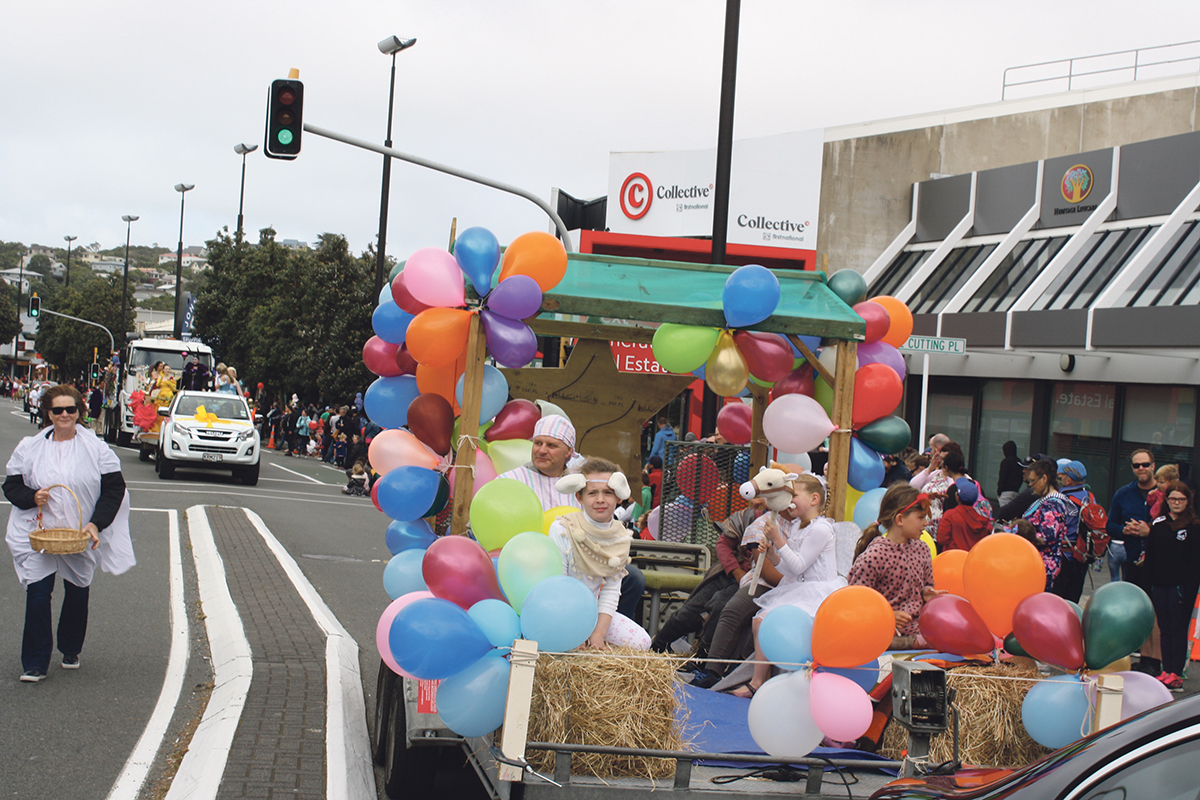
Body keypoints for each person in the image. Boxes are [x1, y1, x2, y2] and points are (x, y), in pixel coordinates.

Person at [4, 386, 135, 682]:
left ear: (79, 412)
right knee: (38, 593)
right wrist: (31, 497)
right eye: (58, 410)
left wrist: (95, 524)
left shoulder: (97, 449)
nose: (65, 415)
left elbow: (114, 489)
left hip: (79, 532)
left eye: (71, 410)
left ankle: (70, 647)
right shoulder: (29, 447)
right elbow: (11, 486)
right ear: (48, 414)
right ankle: (35, 663)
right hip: (40, 533)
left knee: (77, 591)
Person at [499, 414, 646, 621]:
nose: (542, 450)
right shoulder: (509, 481)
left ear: (569, 451)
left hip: (581, 563)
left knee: (633, 578)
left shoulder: (585, 484)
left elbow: (602, 528)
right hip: (526, 563)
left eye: (551, 445)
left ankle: (606, 635)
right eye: (538, 443)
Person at [731, 474, 845, 697]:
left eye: (793, 495)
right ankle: (757, 681)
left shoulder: (820, 529)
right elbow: (788, 568)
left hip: (818, 593)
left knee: (768, 621)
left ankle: (786, 683)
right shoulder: (797, 527)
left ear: (813, 499)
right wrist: (773, 555)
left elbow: (799, 565)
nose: (789, 501)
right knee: (759, 621)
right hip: (799, 588)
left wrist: (779, 541)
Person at [547, 458, 650, 649]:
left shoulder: (621, 537)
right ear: (580, 497)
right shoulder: (562, 529)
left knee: (642, 643)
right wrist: (573, 634)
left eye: (608, 493)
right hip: (559, 614)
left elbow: (611, 590)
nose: (600, 499)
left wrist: (597, 635)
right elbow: (558, 586)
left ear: (619, 497)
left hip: (593, 613)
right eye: (592, 493)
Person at [649, 498, 765, 655]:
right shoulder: (748, 517)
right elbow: (723, 544)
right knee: (689, 612)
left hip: (754, 584)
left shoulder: (785, 526)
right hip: (729, 574)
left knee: (720, 607)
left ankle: (703, 657)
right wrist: (736, 571)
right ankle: (656, 647)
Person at [848, 483, 940, 650]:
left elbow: (926, 584)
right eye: (921, 517)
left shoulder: (922, 549)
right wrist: (887, 616)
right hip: (886, 633)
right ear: (899, 519)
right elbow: (856, 604)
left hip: (921, 630)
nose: (926, 523)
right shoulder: (874, 556)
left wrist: (926, 592)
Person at [1110, 449, 1163, 674]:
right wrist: (1125, 530)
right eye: (1136, 465)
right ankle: (1143, 658)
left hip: (1160, 562)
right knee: (1138, 610)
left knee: (1157, 612)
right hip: (1133, 560)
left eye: (1145, 464)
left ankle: (1156, 661)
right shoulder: (1123, 494)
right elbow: (1110, 526)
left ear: (1153, 465)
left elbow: (1177, 526)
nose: (1141, 468)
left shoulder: (1165, 493)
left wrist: (1150, 531)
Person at [1143, 481, 1200, 692]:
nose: (1176, 503)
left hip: (1180, 587)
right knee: (1164, 629)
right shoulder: (1159, 524)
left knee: (1178, 630)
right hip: (1159, 585)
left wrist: (1189, 590)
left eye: (1181, 499)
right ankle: (1166, 670)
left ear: (1188, 501)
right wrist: (1147, 585)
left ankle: (1176, 673)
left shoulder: (1193, 526)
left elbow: (1195, 564)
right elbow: (1151, 558)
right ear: (1167, 500)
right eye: (1173, 499)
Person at [1021, 458, 1083, 601]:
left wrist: (1019, 535)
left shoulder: (1053, 503)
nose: (1030, 485)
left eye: (1033, 481)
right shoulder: (1045, 500)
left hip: (1043, 567)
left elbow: (1046, 537)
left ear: (1044, 478)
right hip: (1036, 563)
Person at [937, 477, 990, 552]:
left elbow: (941, 539)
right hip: (972, 559)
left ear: (957, 497)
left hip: (953, 559)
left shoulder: (950, 515)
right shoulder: (982, 517)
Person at [997, 440, 1023, 506]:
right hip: (1016, 491)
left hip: (1005, 492)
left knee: (1005, 513)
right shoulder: (1019, 461)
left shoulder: (1005, 462)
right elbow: (1021, 477)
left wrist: (999, 490)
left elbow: (1003, 477)